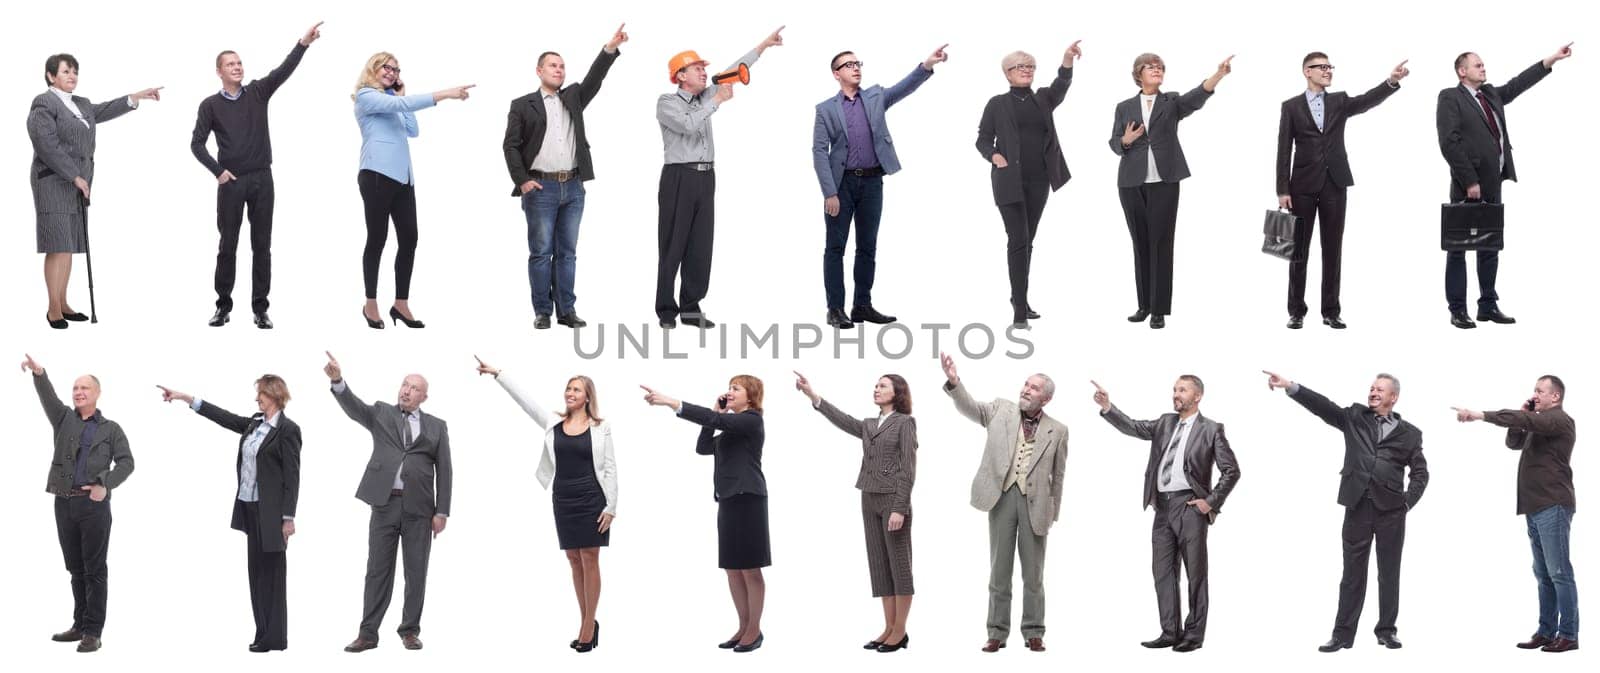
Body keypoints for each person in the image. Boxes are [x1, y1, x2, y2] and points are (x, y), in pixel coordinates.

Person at [1264, 370, 1427, 652]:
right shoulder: (1355, 417)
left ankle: (1387, 631)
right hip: (1357, 505)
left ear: (1393, 397)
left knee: (1389, 573)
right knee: (1352, 574)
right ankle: (1342, 635)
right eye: (1372, 388)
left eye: (1380, 389)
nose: (1373, 392)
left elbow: (1421, 473)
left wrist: (1406, 503)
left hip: (1391, 512)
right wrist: (1291, 387)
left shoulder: (1411, 434)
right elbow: (1324, 407)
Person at [476, 357, 617, 652]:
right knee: (573, 560)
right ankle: (586, 621)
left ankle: (588, 626)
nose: (570, 393)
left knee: (590, 558)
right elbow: (525, 402)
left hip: (592, 498)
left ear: (588, 396)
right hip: (563, 497)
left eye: (577, 390)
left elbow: (610, 468)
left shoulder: (601, 427)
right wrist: (498, 374)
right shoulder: (555, 422)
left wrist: (611, 506)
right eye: (568, 388)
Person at [1092, 376, 1240, 652]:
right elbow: (1134, 427)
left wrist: (1210, 502)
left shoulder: (1211, 429)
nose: (1176, 394)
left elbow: (1232, 471)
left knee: (1195, 574)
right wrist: (1108, 407)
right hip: (1161, 507)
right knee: (1162, 572)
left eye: (1182, 390)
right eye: (1174, 389)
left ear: (1197, 396)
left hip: (1190, 508)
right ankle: (1170, 631)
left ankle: (1194, 636)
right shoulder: (1164, 422)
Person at [191, 21, 323, 329]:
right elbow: (196, 144)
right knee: (228, 245)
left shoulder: (258, 92)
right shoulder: (209, 105)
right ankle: (223, 306)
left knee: (262, 245)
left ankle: (260, 309)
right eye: (230, 64)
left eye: (239, 63)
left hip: (263, 180)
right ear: (219, 71)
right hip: (232, 183)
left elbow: (283, 70)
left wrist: (303, 43)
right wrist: (218, 171)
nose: (237, 67)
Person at [156, 376, 302, 652]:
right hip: (249, 508)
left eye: (261, 394)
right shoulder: (254, 424)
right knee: (256, 575)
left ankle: (275, 638)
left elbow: (292, 477)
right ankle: (262, 634)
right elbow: (222, 417)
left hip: (271, 514)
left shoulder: (288, 430)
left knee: (272, 576)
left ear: (274, 395)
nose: (257, 398)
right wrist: (186, 398)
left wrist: (288, 518)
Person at [654, 27, 784, 329]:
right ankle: (665, 309)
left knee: (700, 244)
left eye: (703, 69)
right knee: (673, 244)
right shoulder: (666, 102)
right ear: (680, 75)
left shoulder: (706, 95)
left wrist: (762, 46)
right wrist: (717, 102)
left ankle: (691, 307)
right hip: (678, 178)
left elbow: (733, 72)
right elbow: (687, 125)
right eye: (697, 68)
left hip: (705, 177)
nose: (703, 72)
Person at [1435, 43, 1572, 329]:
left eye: (1483, 64)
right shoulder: (1450, 97)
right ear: (1462, 72)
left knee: (1490, 246)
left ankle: (1487, 305)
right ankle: (1458, 309)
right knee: (1458, 248)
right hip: (1467, 185)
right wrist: (1469, 179)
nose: (1483, 67)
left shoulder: (1491, 94)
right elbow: (1449, 141)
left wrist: (1549, 61)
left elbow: (1518, 84)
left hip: (1494, 182)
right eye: (1477, 65)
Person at [324, 352, 453, 652]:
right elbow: (354, 408)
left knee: (416, 571)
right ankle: (368, 633)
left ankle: (409, 630)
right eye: (404, 385)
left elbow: (445, 470)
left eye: (414, 388)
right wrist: (337, 381)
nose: (406, 390)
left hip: (420, 510)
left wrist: (442, 511)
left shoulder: (437, 426)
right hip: (384, 504)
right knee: (377, 569)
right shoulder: (382, 413)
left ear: (424, 396)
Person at [939, 352, 1068, 653]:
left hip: (1036, 505)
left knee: (1034, 574)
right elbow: (969, 407)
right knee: (999, 570)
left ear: (1045, 399)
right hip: (1002, 497)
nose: (1026, 389)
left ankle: (1034, 631)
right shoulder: (999, 409)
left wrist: (1053, 512)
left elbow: (1059, 475)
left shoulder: (1058, 430)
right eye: (1026, 384)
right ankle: (996, 632)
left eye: (1034, 388)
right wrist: (955, 381)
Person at [811, 45, 946, 329]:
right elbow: (819, 151)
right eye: (848, 65)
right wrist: (830, 192)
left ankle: (862, 305)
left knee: (867, 247)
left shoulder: (874, 97)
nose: (856, 68)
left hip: (873, 182)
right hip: (842, 184)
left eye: (857, 63)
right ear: (836, 74)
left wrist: (926, 65)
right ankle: (835, 309)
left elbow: (903, 88)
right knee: (835, 248)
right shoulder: (825, 110)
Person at [503, 24, 628, 330]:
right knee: (542, 252)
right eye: (553, 65)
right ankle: (543, 311)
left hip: (572, 186)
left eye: (562, 66)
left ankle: (566, 310)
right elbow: (510, 146)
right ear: (539, 70)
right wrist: (523, 181)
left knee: (568, 254)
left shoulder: (573, 97)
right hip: (540, 187)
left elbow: (594, 78)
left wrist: (609, 47)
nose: (559, 70)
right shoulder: (522, 105)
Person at [1275, 53, 1408, 330]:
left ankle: (1331, 311)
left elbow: (1366, 101)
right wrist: (1282, 189)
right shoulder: (1290, 107)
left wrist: (1390, 82)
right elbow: (1283, 150)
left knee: (1333, 250)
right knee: (1297, 251)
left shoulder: (1339, 101)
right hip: (1301, 186)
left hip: (1335, 183)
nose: (1328, 71)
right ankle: (1296, 311)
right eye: (1321, 67)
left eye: (1329, 67)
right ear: (1306, 71)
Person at [27, 56, 161, 329]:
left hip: (78, 183)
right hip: (53, 180)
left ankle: (63, 303)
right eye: (66, 71)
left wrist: (134, 97)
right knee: (58, 244)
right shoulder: (44, 103)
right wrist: (73, 175)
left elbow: (104, 110)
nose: (72, 75)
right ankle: (53, 309)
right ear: (51, 76)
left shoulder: (81, 104)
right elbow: (46, 144)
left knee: (70, 246)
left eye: (75, 71)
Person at [1451, 375, 1578, 653]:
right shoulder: (1538, 422)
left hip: (1553, 503)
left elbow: (1528, 424)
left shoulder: (1559, 420)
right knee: (1543, 573)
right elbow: (1514, 442)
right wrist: (1522, 414)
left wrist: (1479, 415)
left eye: (1540, 391)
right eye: (1534, 390)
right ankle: (1546, 631)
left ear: (1555, 396)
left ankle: (1568, 634)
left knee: (1559, 572)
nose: (1535, 394)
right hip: (1534, 506)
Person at [642, 375, 769, 652]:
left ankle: (754, 629)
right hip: (727, 500)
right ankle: (743, 625)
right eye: (729, 387)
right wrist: (714, 413)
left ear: (751, 395)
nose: (729, 391)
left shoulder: (751, 421)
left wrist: (670, 402)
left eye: (736, 388)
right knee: (733, 568)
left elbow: (720, 423)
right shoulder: (729, 428)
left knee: (750, 567)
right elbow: (702, 447)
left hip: (748, 498)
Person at [793, 371, 918, 652]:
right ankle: (888, 627)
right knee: (879, 564)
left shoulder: (905, 423)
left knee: (899, 565)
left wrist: (900, 507)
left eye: (882, 385)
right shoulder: (871, 423)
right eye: (875, 384)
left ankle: (900, 630)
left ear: (897, 393)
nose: (876, 388)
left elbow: (909, 469)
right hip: (869, 497)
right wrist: (813, 396)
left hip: (892, 501)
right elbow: (843, 421)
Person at [1109, 53, 1232, 329]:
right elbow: (1114, 142)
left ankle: (1159, 310)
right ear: (1138, 73)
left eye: (1160, 67)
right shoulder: (1124, 106)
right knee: (1140, 244)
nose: (1157, 70)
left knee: (1161, 243)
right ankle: (1143, 305)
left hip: (1165, 181)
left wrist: (1219, 74)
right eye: (1150, 67)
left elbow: (1197, 96)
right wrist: (1125, 140)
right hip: (1131, 182)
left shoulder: (1172, 101)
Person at [351, 53, 474, 329]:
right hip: (376, 175)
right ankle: (370, 303)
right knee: (377, 238)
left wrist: (401, 96)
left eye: (396, 70)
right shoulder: (366, 96)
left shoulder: (392, 101)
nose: (392, 73)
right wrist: (446, 94)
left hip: (403, 179)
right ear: (374, 68)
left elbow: (412, 129)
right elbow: (406, 104)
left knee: (410, 238)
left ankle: (401, 303)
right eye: (387, 67)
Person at [21, 354, 135, 653]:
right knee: (75, 568)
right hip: (64, 504)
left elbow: (127, 463)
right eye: (75, 388)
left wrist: (104, 484)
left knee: (94, 568)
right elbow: (48, 397)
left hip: (94, 506)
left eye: (84, 388)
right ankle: (79, 624)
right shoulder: (64, 419)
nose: (78, 392)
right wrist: (39, 373)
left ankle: (93, 631)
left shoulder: (111, 429)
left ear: (97, 393)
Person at [976, 41, 1081, 329]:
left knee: (1027, 240)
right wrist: (994, 155)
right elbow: (982, 139)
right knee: (1018, 239)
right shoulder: (997, 104)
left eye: (1030, 67)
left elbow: (1062, 83)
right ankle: (1019, 308)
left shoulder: (1043, 99)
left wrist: (1067, 58)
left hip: (1040, 181)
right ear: (1007, 73)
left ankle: (1019, 297)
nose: (1027, 71)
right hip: (1009, 181)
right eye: (1020, 67)